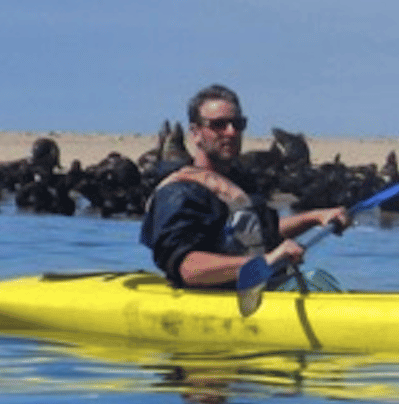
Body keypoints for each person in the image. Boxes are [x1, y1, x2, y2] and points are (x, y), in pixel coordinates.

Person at [141, 84, 349, 289]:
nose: (231, 132)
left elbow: (261, 232)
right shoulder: (180, 193)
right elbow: (188, 268)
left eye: (237, 124)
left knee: (319, 280)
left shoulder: (240, 181)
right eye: (218, 125)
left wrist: (314, 218)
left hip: (264, 287)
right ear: (196, 133)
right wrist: (265, 261)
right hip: (217, 299)